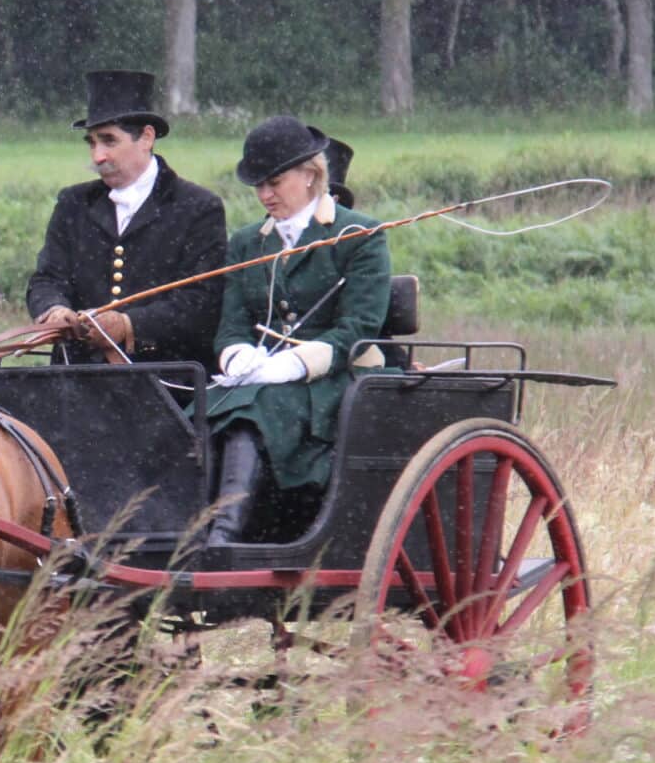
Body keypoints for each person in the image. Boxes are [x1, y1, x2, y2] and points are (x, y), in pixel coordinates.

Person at [203, 115, 391, 547]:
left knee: (254, 409)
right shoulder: (248, 244)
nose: (265, 195)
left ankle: (225, 535)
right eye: (258, 185)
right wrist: (238, 356)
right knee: (198, 408)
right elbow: (230, 324)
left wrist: (292, 363)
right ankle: (189, 527)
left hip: (336, 381)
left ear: (310, 174)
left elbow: (359, 329)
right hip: (261, 380)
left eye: (274, 182)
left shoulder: (359, 235)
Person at [27, 69, 225, 365]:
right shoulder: (73, 203)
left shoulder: (198, 208)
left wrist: (129, 325)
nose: (97, 157)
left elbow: (201, 304)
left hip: (165, 377)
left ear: (146, 137)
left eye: (109, 141)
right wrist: (56, 309)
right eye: (92, 143)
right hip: (75, 375)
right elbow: (46, 279)